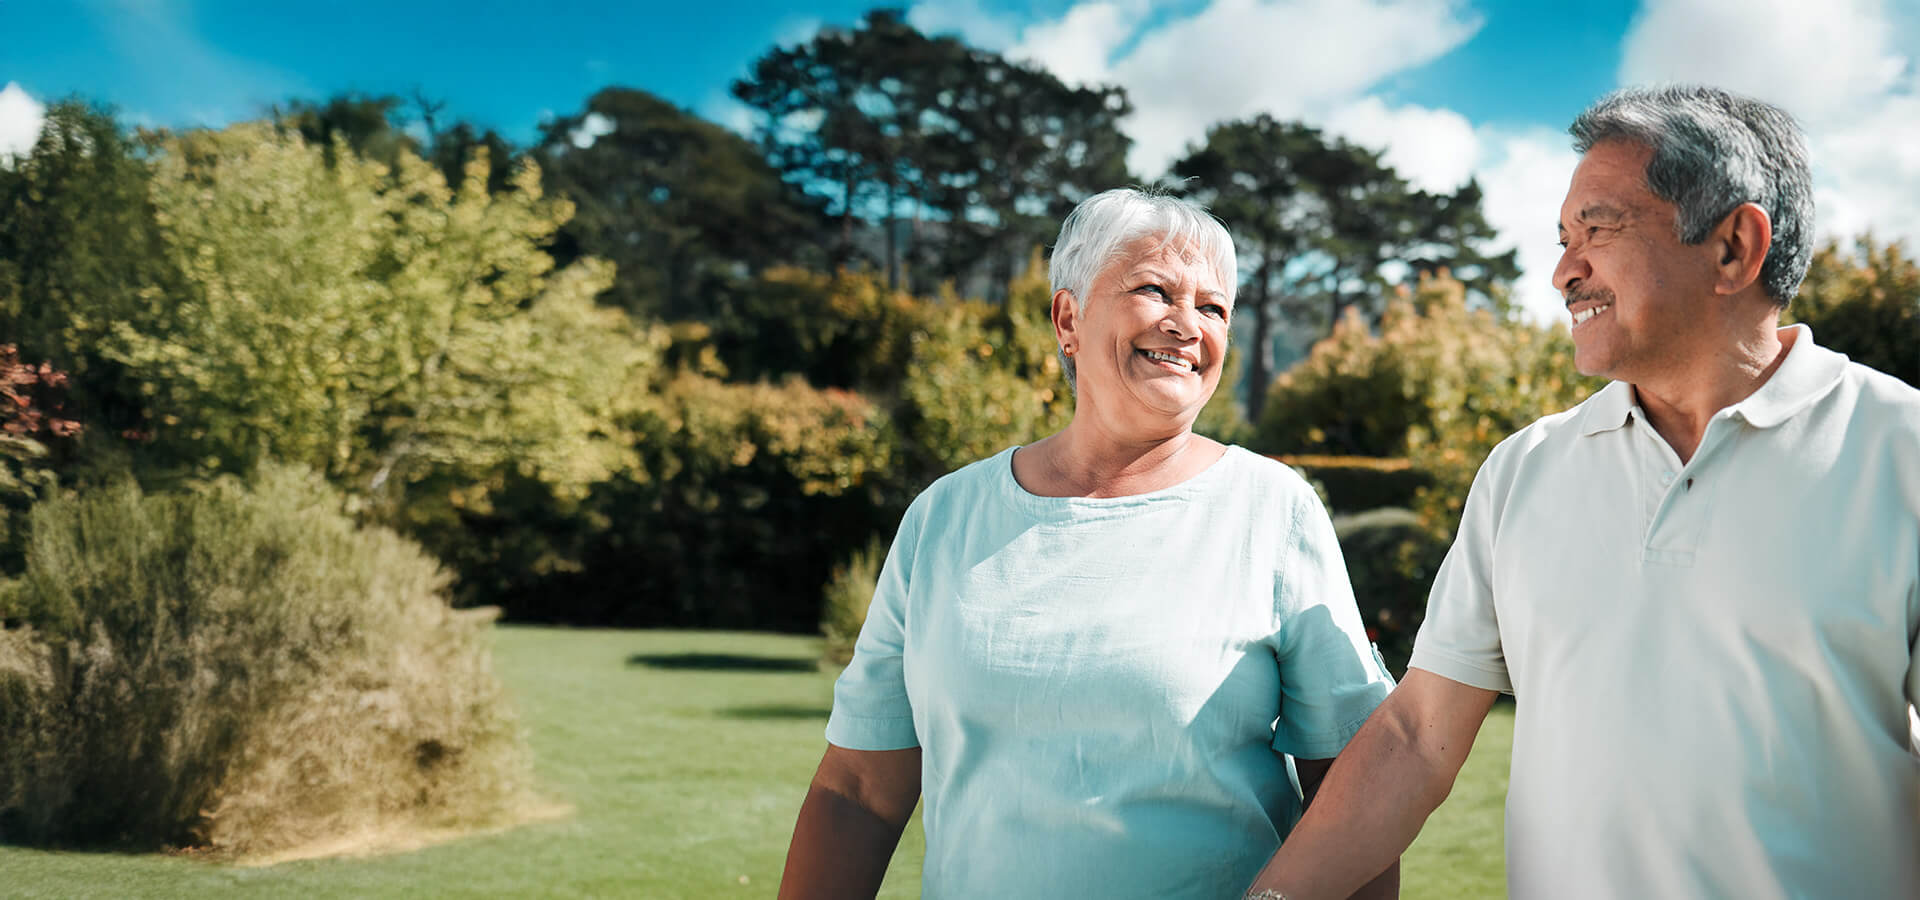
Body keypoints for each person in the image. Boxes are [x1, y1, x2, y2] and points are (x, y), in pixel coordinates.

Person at [1242, 84, 1920, 898]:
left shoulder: (1900, 453)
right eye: (1563, 238)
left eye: (1598, 229)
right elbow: (1418, 737)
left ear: (1734, 247)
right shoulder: (1523, 471)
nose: (1564, 271)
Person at [776, 188, 1399, 899]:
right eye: (1154, 289)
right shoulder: (945, 517)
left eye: (1213, 307)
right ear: (1068, 318)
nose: (1187, 325)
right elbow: (858, 788)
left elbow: (1355, 795)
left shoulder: (1272, 510)